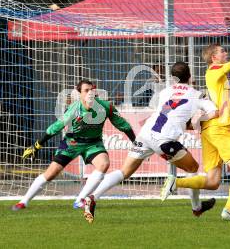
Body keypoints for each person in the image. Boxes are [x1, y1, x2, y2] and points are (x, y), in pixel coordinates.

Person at [84, 62, 219, 223]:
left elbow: (171, 114)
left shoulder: (165, 92)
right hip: (164, 140)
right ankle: (196, 207)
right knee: (193, 168)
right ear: (190, 77)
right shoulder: (197, 95)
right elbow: (214, 112)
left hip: (146, 134)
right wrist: (201, 122)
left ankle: (93, 197)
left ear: (173, 78)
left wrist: (187, 123)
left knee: (124, 172)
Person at [161, 31, 230, 222]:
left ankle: (175, 182)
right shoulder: (215, 71)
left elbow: (226, 105)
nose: (226, 54)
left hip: (210, 130)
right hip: (220, 128)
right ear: (214, 57)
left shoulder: (218, 78)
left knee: (213, 181)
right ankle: (229, 209)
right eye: (223, 51)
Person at [11, 79, 136, 215]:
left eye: (92, 90)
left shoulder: (106, 107)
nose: (90, 93)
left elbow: (124, 126)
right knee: (51, 173)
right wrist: (37, 145)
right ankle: (24, 201)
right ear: (80, 94)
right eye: (86, 90)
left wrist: (136, 144)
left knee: (104, 163)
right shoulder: (74, 109)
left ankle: (80, 200)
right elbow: (55, 128)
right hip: (71, 142)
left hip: (93, 143)